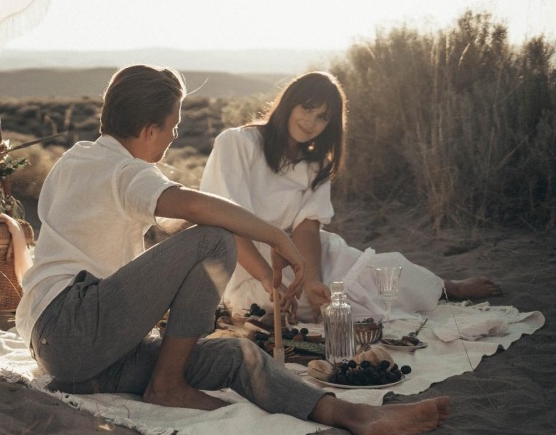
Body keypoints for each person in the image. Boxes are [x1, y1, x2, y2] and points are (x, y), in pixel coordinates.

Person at [16, 64, 450, 435]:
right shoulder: (122, 170)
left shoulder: (77, 160)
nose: (174, 137)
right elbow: (196, 209)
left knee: (233, 354)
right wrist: (277, 240)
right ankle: (167, 385)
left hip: (85, 358)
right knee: (215, 239)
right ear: (149, 131)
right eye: (173, 127)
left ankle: (353, 415)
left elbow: (161, 235)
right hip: (71, 325)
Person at [200, 71, 502, 323]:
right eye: (306, 108)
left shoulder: (315, 164)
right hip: (244, 262)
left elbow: (307, 228)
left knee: (371, 276)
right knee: (277, 306)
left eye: (322, 117)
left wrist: (311, 279)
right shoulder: (237, 142)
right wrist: (269, 278)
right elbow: (227, 222)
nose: (310, 121)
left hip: (302, 258)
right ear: (289, 103)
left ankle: (445, 288)